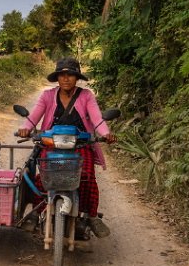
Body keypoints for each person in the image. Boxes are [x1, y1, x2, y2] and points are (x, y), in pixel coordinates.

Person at [17, 57, 117, 237]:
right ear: (57, 77)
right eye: (62, 75)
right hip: (52, 145)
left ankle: (92, 216)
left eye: (70, 74)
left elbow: (97, 118)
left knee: (86, 177)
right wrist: (26, 129)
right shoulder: (47, 96)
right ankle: (36, 212)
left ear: (76, 77)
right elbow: (34, 117)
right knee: (43, 178)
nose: (66, 78)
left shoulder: (86, 96)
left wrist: (105, 133)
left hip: (80, 145)